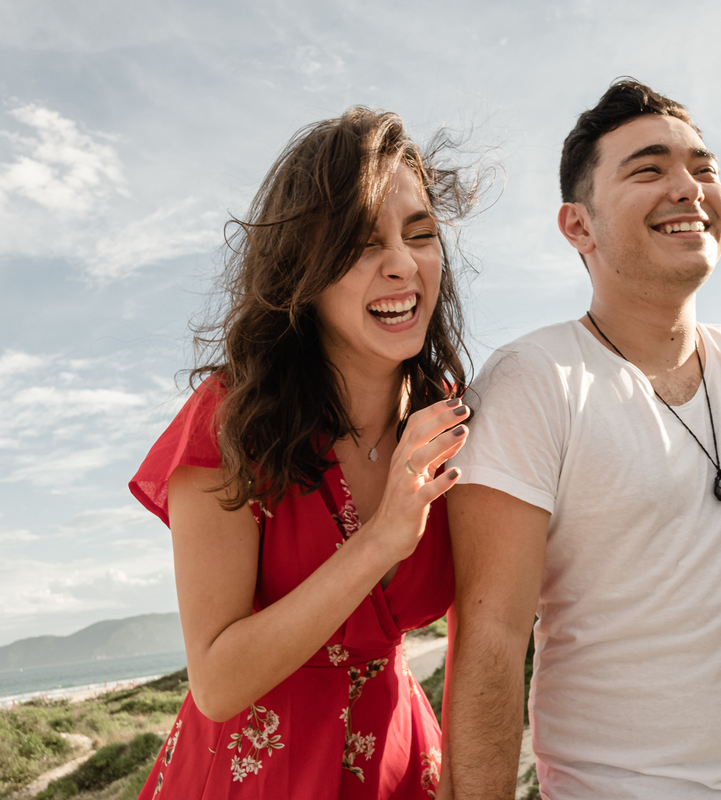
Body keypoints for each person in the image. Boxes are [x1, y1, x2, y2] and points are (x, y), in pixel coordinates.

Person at [442, 80, 721, 799]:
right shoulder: (530, 381)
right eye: (649, 169)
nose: (689, 188)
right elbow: (491, 637)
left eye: (704, 168)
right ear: (578, 226)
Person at [128, 107, 476, 799]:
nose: (403, 264)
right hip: (256, 773)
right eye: (362, 243)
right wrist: (379, 541)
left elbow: (485, 629)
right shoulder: (233, 421)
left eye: (421, 235)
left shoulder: (448, 414)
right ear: (303, 271)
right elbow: (217, 681)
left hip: (402, 765)